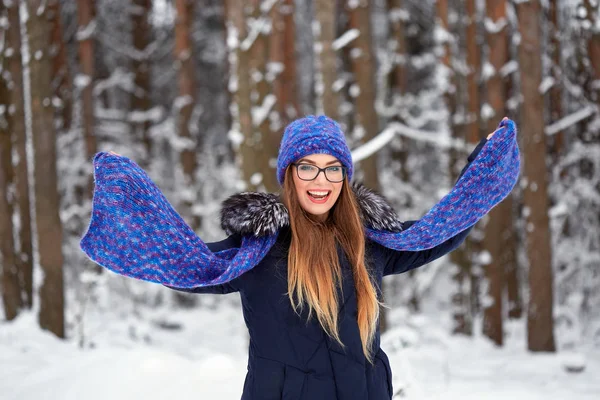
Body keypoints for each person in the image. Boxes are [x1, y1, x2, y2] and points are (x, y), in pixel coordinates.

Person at [82, 115, 519, 400]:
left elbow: (438, 230)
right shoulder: (257, 249)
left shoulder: (370, 243)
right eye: (306, 166)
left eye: (332, 168)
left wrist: (483, 162)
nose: (320, 179)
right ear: (289, 175)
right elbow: (184, 261)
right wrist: (127, 185)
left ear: (344, 178)